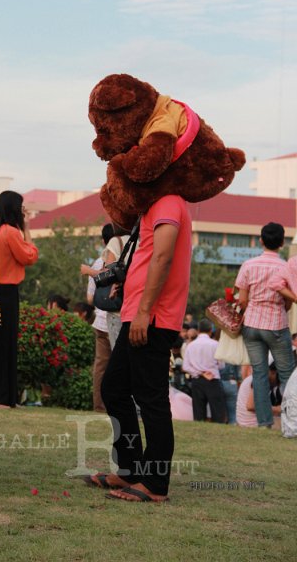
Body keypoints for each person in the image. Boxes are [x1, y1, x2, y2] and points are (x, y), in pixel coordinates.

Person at [96, 194, 192, 503]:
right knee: (113, 388)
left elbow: (163, 257)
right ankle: (130, 468)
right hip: (138, 313)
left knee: (151, 400)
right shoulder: (155, 205)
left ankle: (155, 484)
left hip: (152, 317)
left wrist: (144, 311)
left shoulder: (168, 202)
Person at [235, 222, 295, 427]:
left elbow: (242, 300)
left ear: (261, 240)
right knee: (287, 374)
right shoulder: (285, 266)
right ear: (281, 243)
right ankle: (291, 421)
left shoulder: (248, 265)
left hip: (251, 324)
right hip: (277, 324)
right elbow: (288, 300)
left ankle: (264, 423)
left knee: (259, 374)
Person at [0, 190, 38, 408]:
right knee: (6, 344)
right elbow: (30, 256)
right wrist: (26, 227)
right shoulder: (11, 232)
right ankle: (2, 398)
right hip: (6, 293)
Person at [81, 223, 115, 413]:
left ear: (103, 241)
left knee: (101, 366)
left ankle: (99, 406)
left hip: (101, 321)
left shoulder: (96, 263)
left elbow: (89, 298)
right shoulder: (126, 258)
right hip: (120, 320)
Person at [182, 318, 227, 423]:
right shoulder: (215, 344)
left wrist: (199, 372)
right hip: (213, 379)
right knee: (217, 413)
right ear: (211, 330)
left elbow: (186, 366)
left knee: (198, 413)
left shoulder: (190, 345)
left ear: (198, 330)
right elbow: (221, 365)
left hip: (197, 380)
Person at [236, 364, 282, 428]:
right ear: (273, 372)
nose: (277, 384)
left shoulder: (254, 378)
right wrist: (277, 409)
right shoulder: (260, 381)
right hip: (252, 424)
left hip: (244, 422)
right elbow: (251, 406)